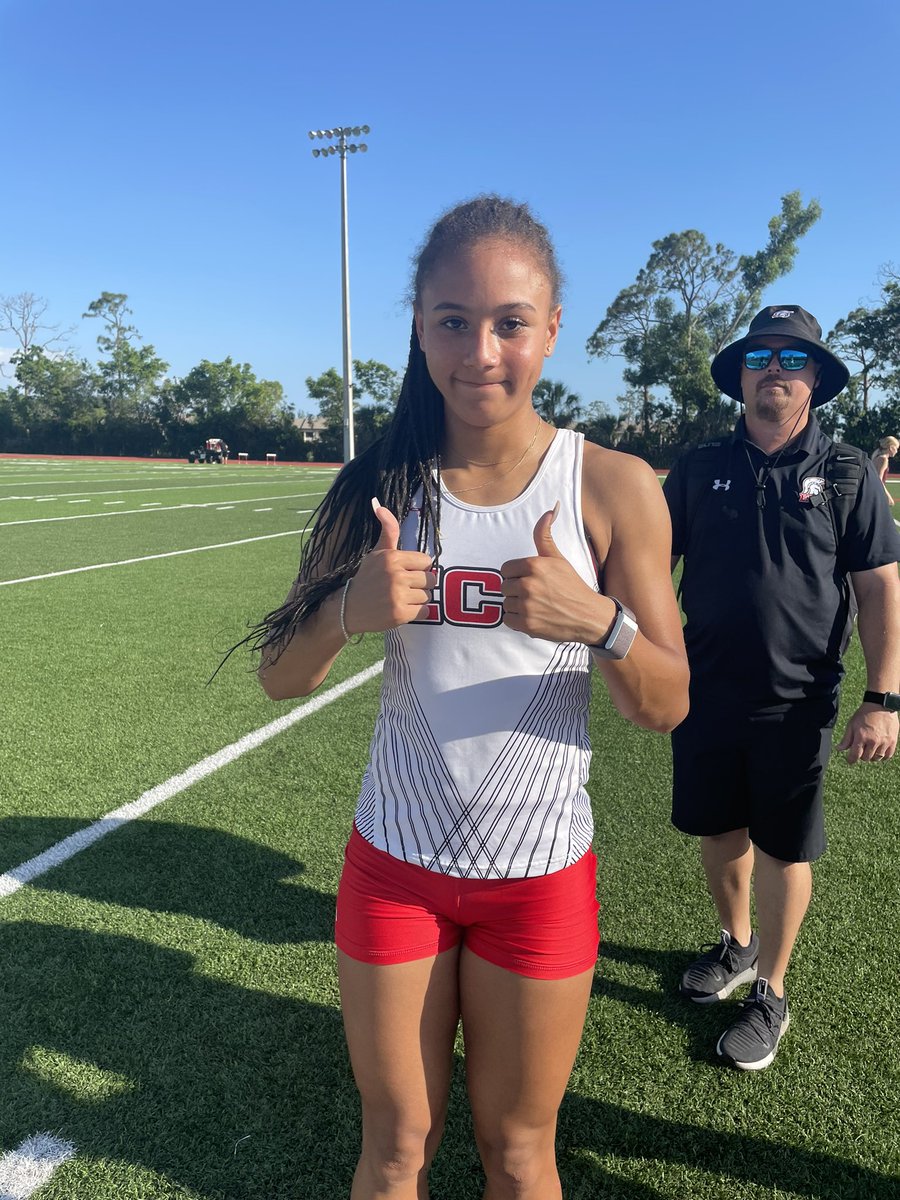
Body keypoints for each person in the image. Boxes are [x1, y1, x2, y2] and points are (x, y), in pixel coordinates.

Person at [255, 195, 689, 1199]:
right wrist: (348, 611)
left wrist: (600, 623)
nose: (481, 352)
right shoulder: (379, 483)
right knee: (396, 1147)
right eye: (453, 320)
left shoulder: (612, 486)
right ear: (419, 326)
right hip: (394, 870)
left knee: (521, 1153)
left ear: (552, 329)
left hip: (539, 879)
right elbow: (279, 677)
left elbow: (664, 703)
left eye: (510, 323)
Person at [663, 305, 900, 1072]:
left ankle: (771, 989)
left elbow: (880, 587)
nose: (775, 368)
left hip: (797, 700)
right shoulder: (698, 467)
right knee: (719, 831)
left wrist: (883, 698)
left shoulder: (848, 471)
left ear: (815, 379)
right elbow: (648, 564)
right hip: (703, 689)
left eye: (792, 358)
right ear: (739, 375)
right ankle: (735, 946)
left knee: (783, 845)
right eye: (760, 356)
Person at [871, 434, 898, 505]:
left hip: (873, 491)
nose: (896, 451)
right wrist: (888, 497)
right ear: (891, 448)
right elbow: (878, 480)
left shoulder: (878, 457)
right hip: (876, 493)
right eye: (896, 448)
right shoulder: (883, 459)